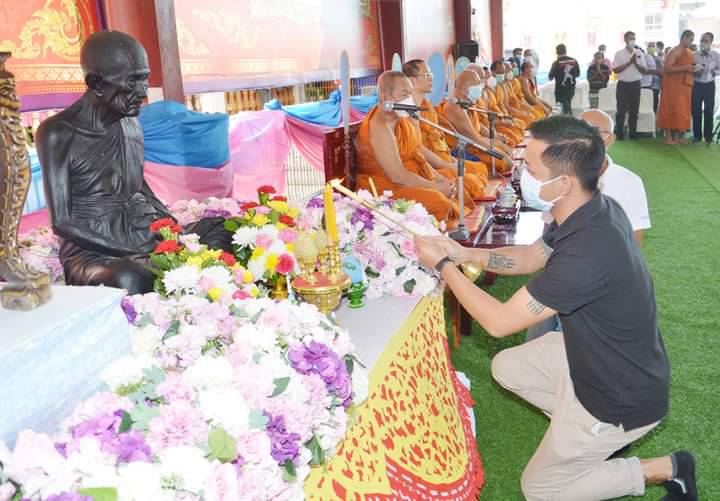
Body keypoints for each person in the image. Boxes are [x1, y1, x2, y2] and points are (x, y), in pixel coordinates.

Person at [414, 115, 697, 501]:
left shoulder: (587, 251)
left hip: (620, 395)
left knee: (540, 490)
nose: (520, 172)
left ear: (563, 182)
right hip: (602, 360)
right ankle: (578, 434)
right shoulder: (590, 207)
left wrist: (443, 267)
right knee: (507, 366)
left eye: (528, 167)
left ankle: (668, 467)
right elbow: (531, 256)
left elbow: (498, 322)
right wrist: (464, 252)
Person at [35, 31, 231, 295]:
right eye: (132, 81)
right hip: (96, 248)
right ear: (97, 83)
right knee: (130, 277)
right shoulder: (58, 132)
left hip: (142, 231)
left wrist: (175, 230)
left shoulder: (130, 122)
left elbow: (138, 185)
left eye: (144, 78)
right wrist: (134, 249)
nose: (142, 92)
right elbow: (63, 221)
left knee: (224, 231)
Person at [525, 109, 651, 341]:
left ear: (610, 140)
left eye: (592, 132)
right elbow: (546, 238)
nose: (583, 138)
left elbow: (634, 244)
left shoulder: (628, 182)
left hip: (593, 284)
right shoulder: (561, 178)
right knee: (533, 345)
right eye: (578, 130)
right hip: (561, 275)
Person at [354, 71, 468, 223]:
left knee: (458, 182)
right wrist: (435, 187)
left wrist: (439, 180)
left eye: (410, 94)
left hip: (412, 177)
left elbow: (417, 155)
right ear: (386, 97)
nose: (409, 100)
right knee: (438, 201)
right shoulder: (380, 125)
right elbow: (398, 176)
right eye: (404, 95)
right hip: (385, 190)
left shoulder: (400, 118)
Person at [401, 59, 489, 196]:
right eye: (426, 75)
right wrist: (447, 165)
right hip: (429, 164)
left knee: (479, 170)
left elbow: (439, 138)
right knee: (471, 183)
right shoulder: (408, 110)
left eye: (430, 73)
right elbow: (418, 147)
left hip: (442, 156)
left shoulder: (426, 104)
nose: (431, 77)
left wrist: (453, 161)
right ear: (412, 80)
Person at [439, 68, 514, 174]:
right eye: (476, 83)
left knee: (506, 148)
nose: (480, 87)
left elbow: (479, 129)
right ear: (464, 87)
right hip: (465, 150)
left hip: (476, 143)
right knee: (504, 162)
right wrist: (500, 154)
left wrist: (497, 141)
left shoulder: (466, 103)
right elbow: (475, 140)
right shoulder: (454, 107)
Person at [657, 30, 697, 145]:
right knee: (670, 109)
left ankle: (677, 137)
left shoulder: (689, 53)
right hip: (673, 86)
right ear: (684, 38)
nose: (691, 42)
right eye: (690, 39)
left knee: (682, 110)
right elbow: (667, 68)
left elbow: (690, 67)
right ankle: (668, 137)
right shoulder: (674, 51)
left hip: (684, 86)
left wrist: (694, 69)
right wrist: (685, 68)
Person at [613, 31, 647, 139]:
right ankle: (619, 133)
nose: (632, 41)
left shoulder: (639, 53)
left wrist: (635, 62)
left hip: (636, 84)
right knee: (621, 110)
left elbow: (644, 70)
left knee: (634, 110)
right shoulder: (619, 53)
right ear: (625, 40)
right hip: (623, 85)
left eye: (634, 38)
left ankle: (633, 133)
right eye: (630, 38)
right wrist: (629, 62)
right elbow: (615, 69)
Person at [691, 32, 719, 145]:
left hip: (709, 84)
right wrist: (695, 71)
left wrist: (714, 72)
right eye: (702, 40)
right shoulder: (694, 55)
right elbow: (690, 68)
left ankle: (708, 136)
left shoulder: (716, 55)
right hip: (697, 84)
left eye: (706, 41)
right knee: (696, 110)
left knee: (709, 110)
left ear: (711, 42)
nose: (703, 43)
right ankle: (697, 135)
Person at [548, 44, 580, 115]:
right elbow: (577, 74)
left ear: (557, 52)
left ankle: (567, 119)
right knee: (568, 103)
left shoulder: (556, 63)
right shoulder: (574, 61)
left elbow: (550, 77)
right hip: (571, 87)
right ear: (566, 50)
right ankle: (569, 118)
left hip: (560, 88)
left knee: (561, 106)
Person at [648, 42, 664, 113]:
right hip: (645, 85)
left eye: (653, 46)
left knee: (654, 105)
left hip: (655, 85)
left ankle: (653, 120)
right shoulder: (643, 57)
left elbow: (662, 72)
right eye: (649, 46)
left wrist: (651, 71)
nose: (651, 48)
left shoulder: (659, 59)